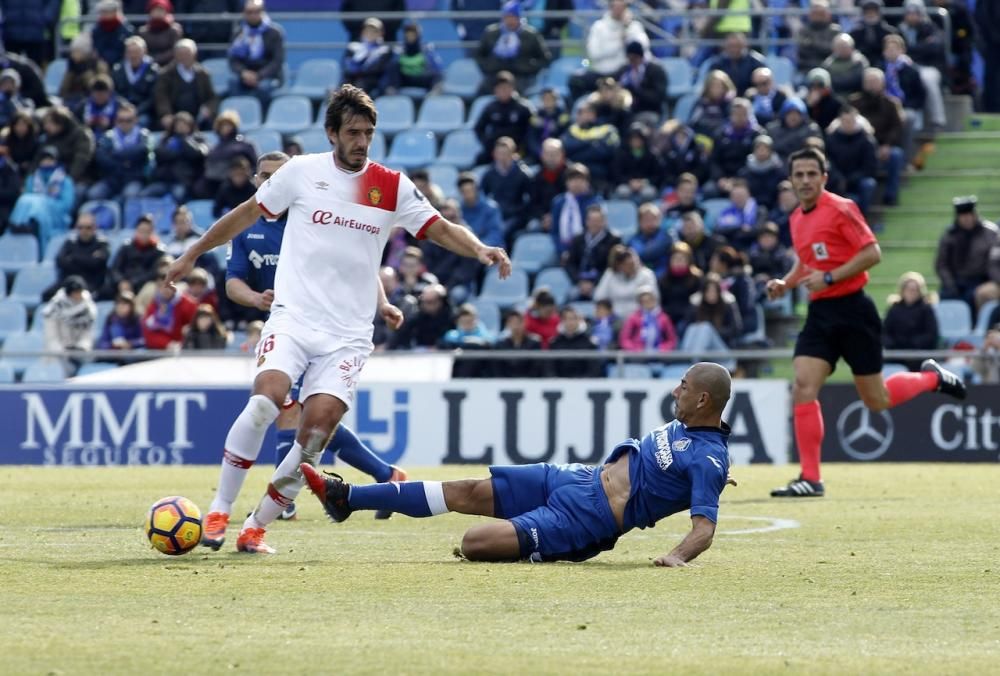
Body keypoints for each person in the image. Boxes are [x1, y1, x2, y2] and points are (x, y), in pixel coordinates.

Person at [167, 84, 512, 553]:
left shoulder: (391, 186)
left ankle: (256, 526)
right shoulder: (302, 173)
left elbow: (438, 228)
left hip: (348, 335)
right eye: (353, 132)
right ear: (332, 133)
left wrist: (480, 249)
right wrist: (191, 253)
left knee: (313, 437)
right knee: (265, 402)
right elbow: (246, 213)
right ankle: (219, 511)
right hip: (294, 317)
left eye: (368, 132)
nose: (361, 141)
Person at [301, 362, 736, 565]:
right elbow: (679, 469)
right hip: (575, 477)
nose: (673, 392)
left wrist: (676, 557)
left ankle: (544, 546)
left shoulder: (708, 459)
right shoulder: (695, 435)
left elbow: (704, 530)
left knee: (473, 544)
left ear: (702, 399)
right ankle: (347, 498)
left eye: (682, 386)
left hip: (587, 519)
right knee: (466, 489)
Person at [765, 147, 966, 498]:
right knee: (802, 384)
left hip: (855, 311)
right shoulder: (796, 218)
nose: (806, 180)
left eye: (812, 173)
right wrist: (787, 283)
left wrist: (830, 279)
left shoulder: (841, 208)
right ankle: (810, 478)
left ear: (824, 177)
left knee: (877, 399)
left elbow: (872, 252)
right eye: (799, 175)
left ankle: (931, 377)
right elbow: (806, 261)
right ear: (791, 180)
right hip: (820, 314)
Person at [226, 151, 412, 521]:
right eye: (263, 176)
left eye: (276, 175)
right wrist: (255, 298)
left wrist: (383, 303)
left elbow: (360, 263)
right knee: (302, 417)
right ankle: (385, 475)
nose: (269, 182)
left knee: (297, 415)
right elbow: (232, 282)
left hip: (331, 328)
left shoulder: (316, 212)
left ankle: (285, 503)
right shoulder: (249, 228)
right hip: (288, 326)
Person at [568, 0, 649, 101]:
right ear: (610, 7)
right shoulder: (599, 27)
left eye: (622, 7)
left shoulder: (634, 26)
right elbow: (593, 53)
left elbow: (642, 47)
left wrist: (626, 31)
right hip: (600, 72)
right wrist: (619, 42)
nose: (619, 10)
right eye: (616, 6)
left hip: (623, 73)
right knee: (576, 81)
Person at [849, 68, 905, 206]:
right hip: (860, 148)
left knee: (896, 155)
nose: (872, 85)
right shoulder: (854, 103)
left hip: (883, 147)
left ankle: (890, 196)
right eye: (869, 81)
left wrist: (887, 144)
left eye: (875, 81)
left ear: (882, 83)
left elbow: (897, 128)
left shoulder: (891, 103)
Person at [934, 196, 1000, 312]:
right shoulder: (950, 236)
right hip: (956, 280)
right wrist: (950, 284)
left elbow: (993, 263)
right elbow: (942, 264)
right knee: (947, 298)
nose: (967, 219)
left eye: (969, 215)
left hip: (980, 280)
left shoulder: (989, 233)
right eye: (963, 216)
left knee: (976, 296)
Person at [8, 145, 74, 251]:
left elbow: (66, 205)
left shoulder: (65, 181)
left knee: (36, 203)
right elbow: (27, 198)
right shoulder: (32, 179)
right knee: (25, 199)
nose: (47, 162)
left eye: (50, 159)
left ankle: (32, 226)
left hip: (56, 216)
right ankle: (19, 225)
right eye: (44, 159)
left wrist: (45, 203)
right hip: (31, 213)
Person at [475, 1, 551, 92]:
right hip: (495, 74)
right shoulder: (491, 33)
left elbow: (545, 58)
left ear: (519, 17)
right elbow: (478, 55)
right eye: (507, 17)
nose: (510, 20)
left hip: (522, 76)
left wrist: (529, 67)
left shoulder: (531, 35)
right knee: (482, 90)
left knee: (517, 92)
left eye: (513, 17)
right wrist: (489, 66)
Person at [88, 102, 153, 201]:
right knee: (94, 194)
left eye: (129, 120)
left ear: (136, 120)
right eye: (121, 120)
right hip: (112, 178)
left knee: (129, 196)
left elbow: (142, 150)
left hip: (133, 178)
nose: (124, 123)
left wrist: (114, 154)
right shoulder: (109, 136)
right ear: (116, 121)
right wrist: (124, 163)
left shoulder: (143, 135)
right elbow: (101, 156)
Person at [153, 39, 218, 131]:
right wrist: (165, 114)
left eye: (187, 54)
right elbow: (161, 97)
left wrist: (209, 109)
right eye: (181, 54)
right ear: (175, 55)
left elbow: (212, 97)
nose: (184, 57)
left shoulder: (203, 74)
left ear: (194, 55)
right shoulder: (166, 74)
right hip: (174, 116)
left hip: (198, 117)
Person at [227, 0, 285, 102]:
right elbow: (233, 60)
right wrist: (243, 73)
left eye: (257, 11)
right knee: (233, 83)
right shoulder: (238, 34)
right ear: (244, 13)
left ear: (263, 11)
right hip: (245, 76)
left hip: (267, 76)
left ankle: (261, 117)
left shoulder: (275, 33)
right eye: (249, 12)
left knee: (263, 89)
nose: (253, 15)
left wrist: (259, 76)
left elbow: (277, 61)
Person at [825, 107, 878, 218]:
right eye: (845, 121)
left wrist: (852, 179)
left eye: (851, 121)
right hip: (837, 183)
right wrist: (839, 178)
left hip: (857, 182)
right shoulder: (831, 140)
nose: (848, 124)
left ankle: (863, 219)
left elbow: (870, 167)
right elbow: (828, 162)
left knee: (869, 184)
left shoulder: (866, 140)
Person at [143, 111, 208, 201]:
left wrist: (182, 139)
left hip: (182, 181)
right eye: (178, 124)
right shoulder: (166, 139)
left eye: (184, 124)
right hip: (163, 181)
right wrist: (180, 153)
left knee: (178, 196)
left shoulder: (198, 139)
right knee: (145, 195)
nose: (181, 127)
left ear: (190, 125)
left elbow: (196, 154)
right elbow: (159, 153)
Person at [473, 71, 534, 165]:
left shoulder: (523, 108)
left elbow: (532, 130)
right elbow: (478, 128)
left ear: (512, 88)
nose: (503, 91)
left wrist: (523, 148)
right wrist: (489, 145)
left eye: (506, 88)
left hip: (518, 150)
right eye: (500, 88)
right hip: (496, 150)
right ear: (495, 90)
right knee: (479, 161)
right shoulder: (491, 108)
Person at [883, 271, 940, 371]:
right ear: (902, 290)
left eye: (915, 290)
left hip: (919, 354)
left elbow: (931, 334)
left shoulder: (926, 309)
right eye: (909, 289)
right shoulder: (894, 309)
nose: (911, 292)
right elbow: (885, 332)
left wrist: (912, 344)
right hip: (896, 353)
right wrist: (894, 344)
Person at [563, 202, 621, 299]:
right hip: (580, 281)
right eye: (592, 220)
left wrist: (594, 283)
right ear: (587, 222)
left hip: (602, 281)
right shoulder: (578, 239)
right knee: (570, 296)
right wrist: (579, 281)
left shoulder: (613, 240)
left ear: (604, 221)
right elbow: (570, 263)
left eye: (598, 221)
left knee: (599, 296)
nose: (595, 224)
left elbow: (612, 265)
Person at [42, 275, 97, 376]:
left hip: (80, 354)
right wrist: (65, 352)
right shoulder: (54, 309)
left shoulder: (88, 309)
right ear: (69, 293)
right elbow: (51, 338)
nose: (78, 295)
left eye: (79, 292)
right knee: (63, 371)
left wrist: (81, 348)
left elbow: (88, 334)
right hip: (59, 354)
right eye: (75, 293)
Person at [561, 101, 620, 191]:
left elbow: (605, 152)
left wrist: (578, 151)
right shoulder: (571, 130)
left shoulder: (607, 129)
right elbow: (566, 148)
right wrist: (590, 142)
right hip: (576, 170)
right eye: (581, 113)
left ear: (595, 114)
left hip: (600, 171)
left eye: (589, 112)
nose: (584, 116)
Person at [480, 136, 533, 238]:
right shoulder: (489, 174)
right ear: (494, 154)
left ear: (513, 154)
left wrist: (519, 211)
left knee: (503, 231)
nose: (502, 157)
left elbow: (531, 198)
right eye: (500, 154)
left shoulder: (523, 174)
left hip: (516, 216)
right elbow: (482, 195)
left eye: (506, 154)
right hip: (496, 214)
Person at [50, 213, 111, 299]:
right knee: (47, 295)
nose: (84, 231)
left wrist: (73, 257)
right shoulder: (70, 243)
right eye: (80, 227)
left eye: (88, 227)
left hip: (92, 284)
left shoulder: (102, 243)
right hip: (68, 283)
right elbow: (60, 261)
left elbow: (96, 264)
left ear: (95, 228)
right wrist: (88, 259)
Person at [550, 162, 602, 256]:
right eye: (573, 179)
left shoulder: (595, 202)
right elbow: (554, 231)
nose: (577, 183)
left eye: (581, 179)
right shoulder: (558, 202)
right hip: (561, 250)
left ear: (588, 182)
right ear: (566, 182)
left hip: (586, 250)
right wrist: (562, 251)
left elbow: (595, 230)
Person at [594, 245, 658, 318]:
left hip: (639, 319)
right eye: (625, 264)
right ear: (618, 265)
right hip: (613, 319)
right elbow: (599, 297)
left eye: (632, 263)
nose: (630, 266)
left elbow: (654, 301)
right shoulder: (610, 274)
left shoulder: (646, 275)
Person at [108, 215, 165, 295]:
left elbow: (153, 273)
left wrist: (132, 283)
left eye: (147, 231)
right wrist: (120, 281)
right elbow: (115, 268)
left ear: (152, 232)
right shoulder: (126, 247)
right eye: (141, 231)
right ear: (136, 231)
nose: (144, 235)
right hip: (122, 287)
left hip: (144, 288)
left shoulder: (158, 251)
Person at [37, 105, 95, 183]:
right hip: (51, 177)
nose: (45, 127)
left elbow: (81, 160)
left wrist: (68, 181)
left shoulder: (81, 134)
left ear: (60, 123)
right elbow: (38, 157)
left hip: (79, 179)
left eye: (49, 123)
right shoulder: (49, 136)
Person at [111, 36, 159, 127]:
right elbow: (114, 92)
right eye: (130, 52)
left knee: (142, 122)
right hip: (122, 109)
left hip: (143, 111)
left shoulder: (153, 70)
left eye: (136, 52)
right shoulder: (118, 69)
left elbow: (153, 96)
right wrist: (124, 106)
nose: (133, 55)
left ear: (144, 52)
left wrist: (137, 110)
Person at [142, 271, 197, 349]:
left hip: (184, 351)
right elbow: (148, 333)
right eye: (161, 286)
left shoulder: (189, 304)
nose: (165, 289)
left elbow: (197, 330)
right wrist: (167, 344)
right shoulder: (154, 305)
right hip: (160, 351)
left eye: (168, 285)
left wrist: (182, 343)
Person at [342, 18, 394, 98]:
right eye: (368, 30)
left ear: (381, 33)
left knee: (359, 85)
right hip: (353, 78)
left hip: (372, 81)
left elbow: (378, 69)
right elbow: (347, 65)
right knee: (345, 85)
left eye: (374, 31)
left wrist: (360, 70)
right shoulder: (353, 47)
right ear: (362, 32)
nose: (370, 33)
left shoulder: (385, 50)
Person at [612, 123, 662, 205]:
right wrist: (629, 182)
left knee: (648, 193)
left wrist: (644, 182)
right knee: (622, 191)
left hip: (646, 185)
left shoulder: (652, 155)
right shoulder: (621, 155)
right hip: (626, 184)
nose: (636, 141)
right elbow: (616, 174)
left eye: (638, 138)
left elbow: (658, 175)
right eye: (633, 139)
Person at [387, 22, 443, 94]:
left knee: (435, 76)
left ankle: (435, 92)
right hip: (405, 79)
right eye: (408, 34)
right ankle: (392, 92)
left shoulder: (426, 49)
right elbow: (392, 67)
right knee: (392, 66)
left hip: (420, 78)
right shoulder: (398, 49)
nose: (410, 37)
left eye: (413, 34)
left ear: (418, 36)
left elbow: (437, 68)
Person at [617, 40, 667, 121]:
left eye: (634, 59)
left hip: (649, 110)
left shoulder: (656, 71)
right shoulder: (625, 69)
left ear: (640, 57)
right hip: (629, 111)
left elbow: (658, 97)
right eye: (629, 59)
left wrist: (635, 91)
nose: (631, 63)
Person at [619, 286, 678, 353]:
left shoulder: (664, 318)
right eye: (644, 301)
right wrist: (635, 349)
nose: (648, 303)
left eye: (650, 300)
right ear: (640, 303)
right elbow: (624, 339)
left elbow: (672, 339)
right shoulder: (633, 318)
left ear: (655, 300)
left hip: (660, 354)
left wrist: (663, 349)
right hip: (638, 355)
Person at [546, 306, 600, 378]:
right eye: (567, 319)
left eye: (573, 319)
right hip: (559, 385)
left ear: (579, 320)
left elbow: (594, 369)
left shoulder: (589, 343)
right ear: (562, 321)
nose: (570, 322)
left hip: (583, 385)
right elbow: (550, 368)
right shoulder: (554, 343)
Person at [766, 97, 822, 161]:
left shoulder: (811, 130)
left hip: (803, 162)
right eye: (789, 113)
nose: (793, 117)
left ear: (803, 116)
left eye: (797, 113)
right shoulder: (772, 129)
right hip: (777, 165)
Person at [492, 309, 543, 377]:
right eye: (512, 322)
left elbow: (536, 368)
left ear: (524, 323)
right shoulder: (500, 345)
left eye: (518, 322)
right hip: (505, 383)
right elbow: (498, 369)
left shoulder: (534, 343)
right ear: (507, 325)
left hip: (529, 383)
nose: (516, 326)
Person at [796, 0, 841, 75]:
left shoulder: (835, 30)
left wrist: (812, 44)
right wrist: (822, 47)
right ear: (810, 15)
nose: (818, 17)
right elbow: (803, 51)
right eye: (815, 13)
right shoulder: (804, 31)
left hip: (831, 68)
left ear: (828, 14)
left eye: (821, 13)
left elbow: (833, 51)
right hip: (807, 68)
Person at [851, 0, 899, 67]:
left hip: (886, 65)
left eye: (874, 12)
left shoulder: (890, 32)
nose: (870, 14)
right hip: (862, 65)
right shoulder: (855, 33)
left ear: (879, 13)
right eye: (867, 12)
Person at [628, 202, 671, 277]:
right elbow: (639, 254)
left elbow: (648, 253)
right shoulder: (633, 240)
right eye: (646, 219)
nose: (650, 223)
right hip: (640, 278)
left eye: (654, 219)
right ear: (639, 222)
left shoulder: (666, 236)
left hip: (664, 278)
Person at [140, 0, 184, 67]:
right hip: (147, 65)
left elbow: (175, 49)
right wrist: (151, 60)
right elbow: (142, 50)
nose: (158, 13)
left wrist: (157, 59)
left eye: (161, 10)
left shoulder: (174, 30)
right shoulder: (143, 31)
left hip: (170, 65)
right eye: (155, 10)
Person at [90, 0, 134, 68]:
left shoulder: (126, 30)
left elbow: (124, 51)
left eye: (107, 11)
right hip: (102, 65)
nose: (104, 14)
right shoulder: (97, 30)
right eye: (102, 12)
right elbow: (97, 49)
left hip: (122, 65)